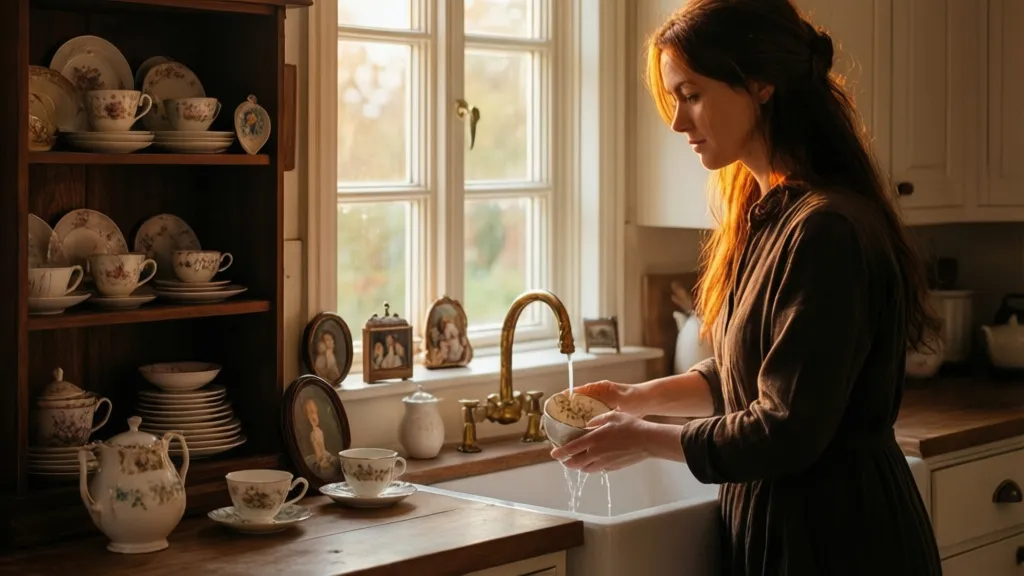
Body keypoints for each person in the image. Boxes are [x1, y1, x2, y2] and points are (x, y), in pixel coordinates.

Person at [550, 1, 943, 574]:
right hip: (790, 524)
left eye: (691, 94)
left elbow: (785, 428)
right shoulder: (769, 215)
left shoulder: (825, 229)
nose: (678, 122)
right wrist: (641, 400)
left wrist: (644, 438)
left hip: (837, 537)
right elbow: (755, 369)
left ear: (759, 84)